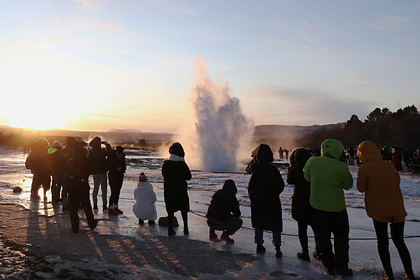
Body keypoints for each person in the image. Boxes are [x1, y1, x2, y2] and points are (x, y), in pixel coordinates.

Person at [357, 140, 416, 280]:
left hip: (379, 210)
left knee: (382, 242)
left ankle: (388, 274)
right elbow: (397, 182)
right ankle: (410, 274)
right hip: (396, 207)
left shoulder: (365, 168)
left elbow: (361, 188)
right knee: (400, 242)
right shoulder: (389, 165)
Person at [303, 139, 353, 276]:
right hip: (337, 208)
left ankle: (329, 266)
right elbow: (348, 185)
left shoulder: (312, 161)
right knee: (341, 238)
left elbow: (307, 177)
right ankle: (342, 267)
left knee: (323, 237)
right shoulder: (341, 166)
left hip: (317, 206)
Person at [246, 144, 285, 257]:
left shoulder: (255, 168)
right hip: (273, 201)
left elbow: (248, 171)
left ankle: (259, 245)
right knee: (275, 224)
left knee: (259, 223)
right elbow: (280, 185)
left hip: (258, 201)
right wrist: (274, 194)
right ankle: (277, 247)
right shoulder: (273, 169)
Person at [287, 147, 318, 261]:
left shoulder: (296, 170)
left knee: (302, 228)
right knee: (316, 228)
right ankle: (319, 250)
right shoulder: (313, 168)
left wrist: (291, 166)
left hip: (300, 202)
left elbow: (289, 180)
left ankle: (305, 252)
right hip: (314, 201)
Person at [64, 142, 98, 233]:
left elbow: (66, 173)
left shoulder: (70, 161)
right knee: (87, 206)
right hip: (83, 186)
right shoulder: (85, 162)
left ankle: (75, 227)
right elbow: (92, 171)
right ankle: (91, 223)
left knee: (73, 207)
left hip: (72, 186)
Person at [162, 142, 192, 236]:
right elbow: (188, 177)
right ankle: (186, 228)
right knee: (184, 210)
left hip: (169, 191)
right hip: (181, 191)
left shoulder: (166, 164)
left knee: (170, 211)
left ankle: (170, 229)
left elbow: (164, 175)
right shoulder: (182, 164)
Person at [206, 179, 243, 244]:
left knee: (214, 212)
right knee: (239, 221)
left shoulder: (218, 193)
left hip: (209, 222)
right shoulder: (231, 197)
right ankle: (226, 235)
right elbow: (237, 214)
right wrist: (235, 204)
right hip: (220, 224)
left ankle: (212, 232)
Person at [88, 137, 111, 211]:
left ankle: (95, 205)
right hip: (102, 172)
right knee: (104, 189)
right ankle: (104, 205)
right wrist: (107, 145)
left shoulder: (91, 152)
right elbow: (110, 153)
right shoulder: (102, 151)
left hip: (95, 172)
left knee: (95, 189)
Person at [107, 146, 126, 215]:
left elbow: (124, 166)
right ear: (116, 152)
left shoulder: (123, 157)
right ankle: (110, 208)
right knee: (113, 191)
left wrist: (121, 169)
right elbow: (108, 166)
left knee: (118, 191)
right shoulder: (111, 157)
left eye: (120, 153)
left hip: (120, 176)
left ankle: (115, 207)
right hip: (112, 175)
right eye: (118, 153)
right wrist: (115, 168)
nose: (119, 154)